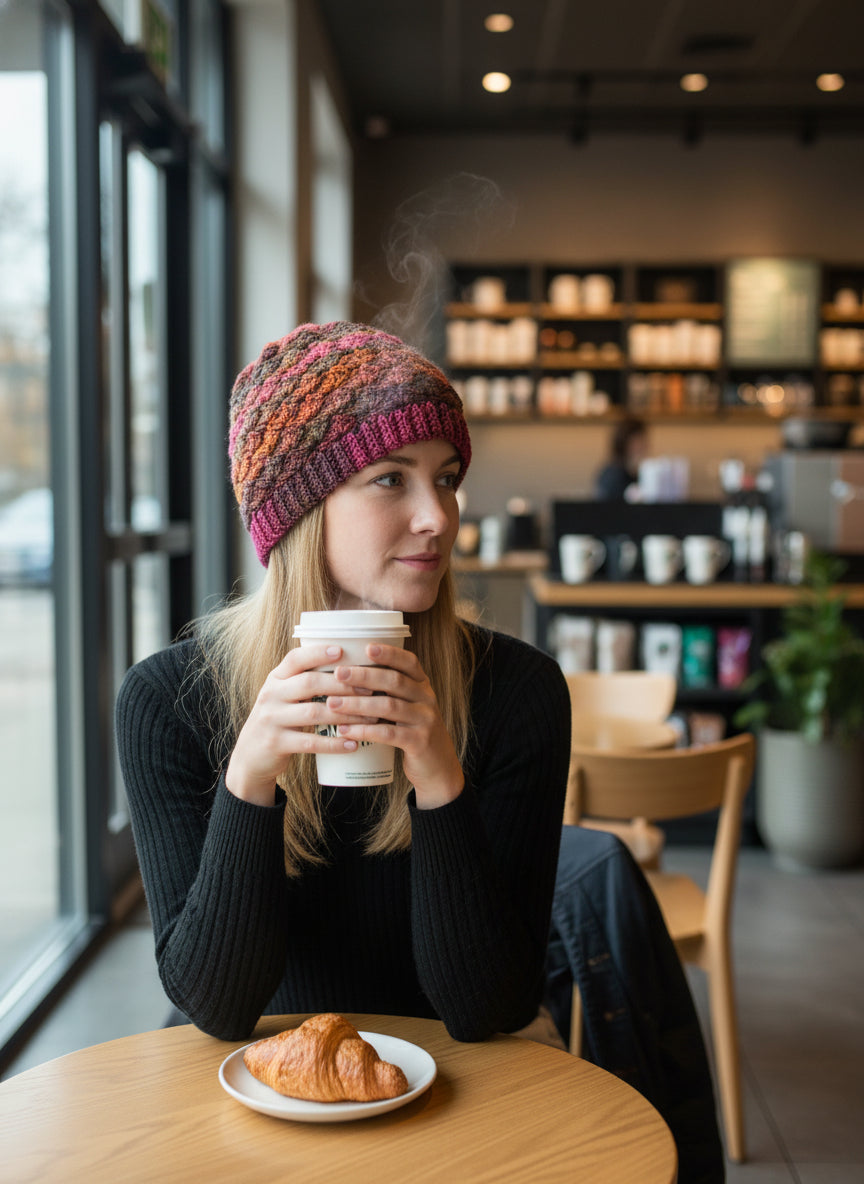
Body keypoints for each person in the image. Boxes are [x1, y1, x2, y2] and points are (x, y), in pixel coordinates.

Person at [115, 321, 570, 1044]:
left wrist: (440, 777)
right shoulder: (169, 701)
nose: (438, 517)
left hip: (458, 1087)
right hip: (258, 1089)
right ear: (297, 510)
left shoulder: (518, 691)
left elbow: (492, 1009)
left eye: (447, 478)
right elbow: (217, 1007)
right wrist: (251, 776)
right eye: (390, 478)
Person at [593, 415, 647, 500]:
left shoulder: (639, 472)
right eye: (639, 440)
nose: (645, 445)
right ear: (625, 443)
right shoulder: (611, 474)